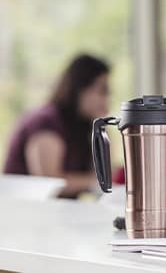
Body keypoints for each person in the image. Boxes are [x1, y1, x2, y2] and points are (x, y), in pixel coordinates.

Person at [3, 54, 111, 198]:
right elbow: (49, 182)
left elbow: (106, 172)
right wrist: (96, 181)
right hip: (23, 211)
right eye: (102, 90)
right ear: (80, 89)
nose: (107, 98)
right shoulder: (45, 122)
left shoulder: (82, 127)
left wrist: (103, 128)